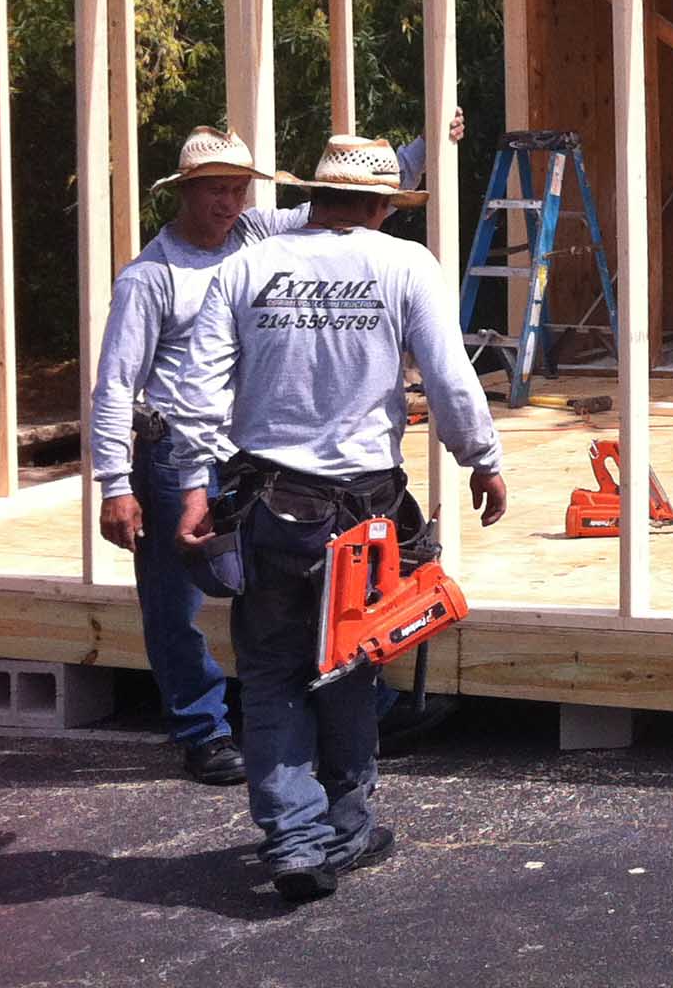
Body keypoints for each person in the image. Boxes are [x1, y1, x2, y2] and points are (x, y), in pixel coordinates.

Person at [161, 133, 505, 904]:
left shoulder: (246, 267)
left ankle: (294, 838)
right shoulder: (403, 264)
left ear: (313, 195)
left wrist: (190, 487)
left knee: (273, 670)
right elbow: (449, 376)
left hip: (267, 507)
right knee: (351, 660)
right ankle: (345, 829)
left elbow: (198, 387)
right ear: (383, 206)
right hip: (363, 515)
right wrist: (481, 458)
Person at [89, 116, 461, 785]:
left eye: (238, 188)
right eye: (214, 189)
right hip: (174, 453)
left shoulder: (254, 235)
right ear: (183, 191)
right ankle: (202, 728)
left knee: (295, 577)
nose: (228, 202)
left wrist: (427, 143)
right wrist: (115, 483)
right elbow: (115, 383)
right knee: (177, 599)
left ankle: (364, 703)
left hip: (247, 454)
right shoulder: (151, 277)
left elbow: (350, 203)